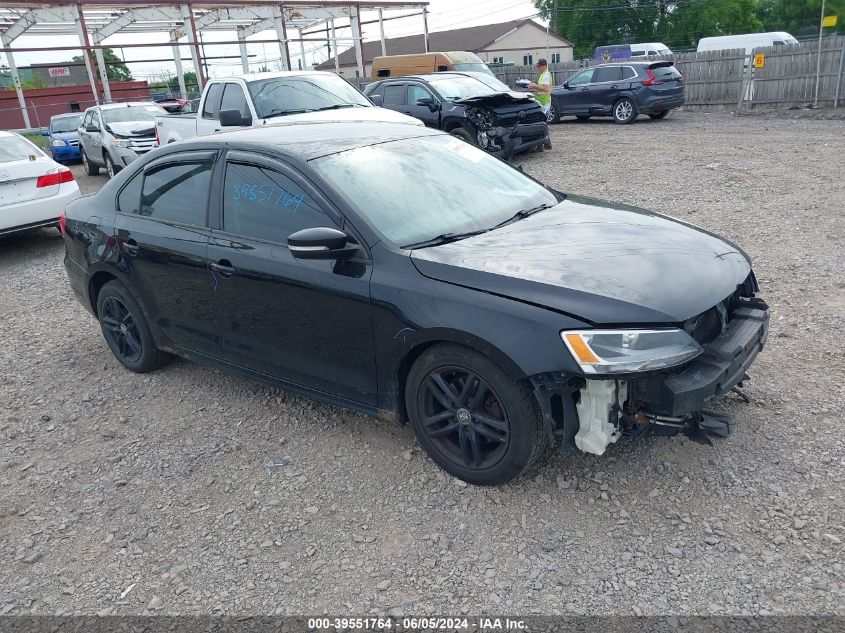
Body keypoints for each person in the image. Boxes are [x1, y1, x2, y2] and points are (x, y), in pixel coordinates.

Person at [527, 58, 553, 150]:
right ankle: (544, 145)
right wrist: (534, 88)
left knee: (542, 123)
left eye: (539, 66)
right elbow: (541, 88)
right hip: (542, 101)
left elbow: (546, 89)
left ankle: (543, 145)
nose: (538, 68)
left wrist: (534, 86)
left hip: (545, 102)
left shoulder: (546, 75)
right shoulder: (542, 75)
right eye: (537, 66)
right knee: (541, 122)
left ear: (544, 66)